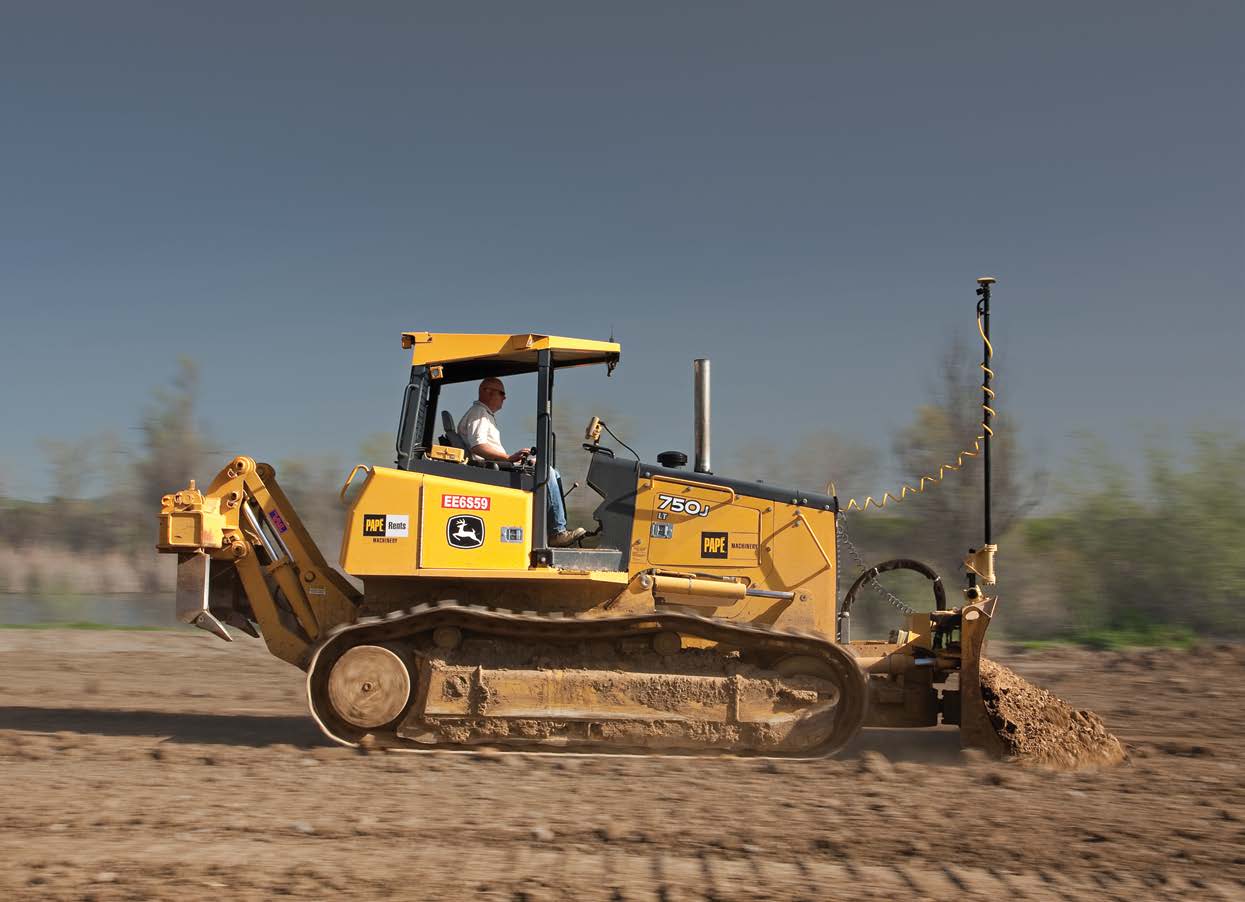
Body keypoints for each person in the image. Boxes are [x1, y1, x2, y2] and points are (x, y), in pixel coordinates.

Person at [457, 377, 586, 548]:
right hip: (493, 470)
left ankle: (554, 528)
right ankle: (556, 532)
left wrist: (513, 459)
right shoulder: (479, 413)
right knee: (546, 471)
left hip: (497, 466)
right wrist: (509, 458)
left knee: (552, 472)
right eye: (502, 393)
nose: (505, 397)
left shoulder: (484, 415)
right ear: (486, 391)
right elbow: (478, 446)